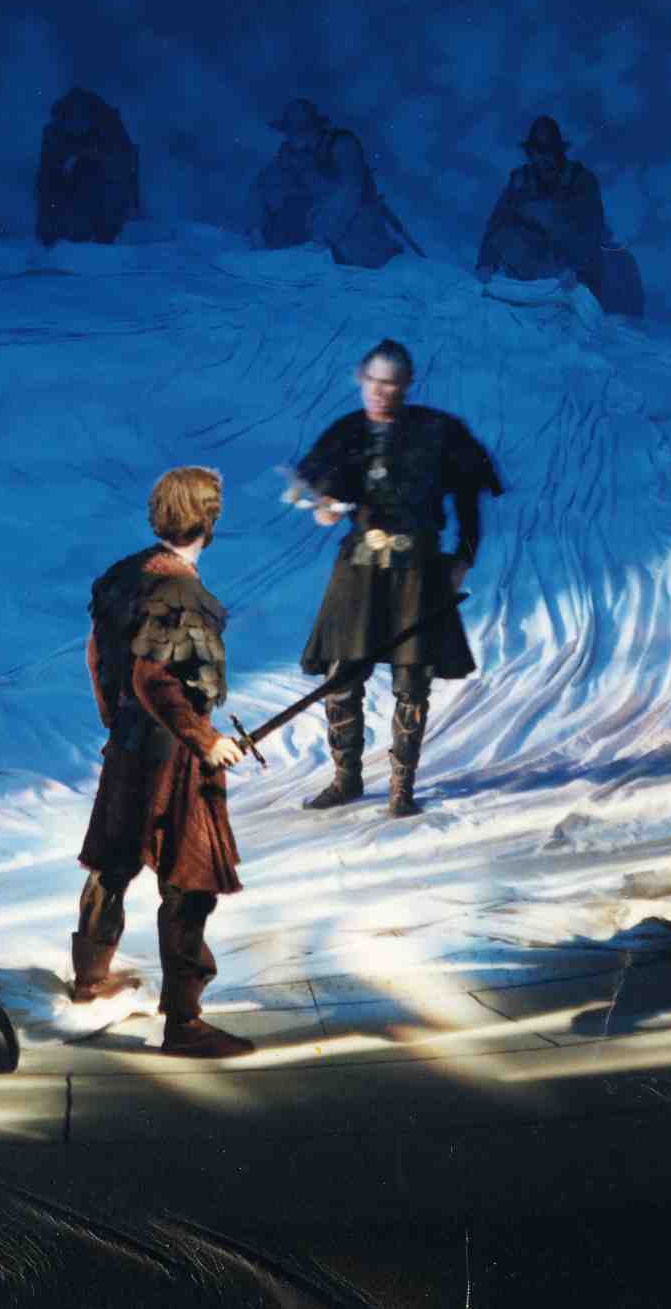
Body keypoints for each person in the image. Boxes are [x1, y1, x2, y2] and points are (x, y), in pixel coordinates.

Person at [72, 465, 256, 1060]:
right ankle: (184, 1025)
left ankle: (89, 980)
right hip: (173, 758)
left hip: (129, 748)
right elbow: (153, 677)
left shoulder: (124, 574)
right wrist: (205, 740)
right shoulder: (183, 595)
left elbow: (98, 654)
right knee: (189, 882)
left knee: (113, 863)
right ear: (209, 521)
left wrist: (114, 719)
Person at [288, 340, 503, 817]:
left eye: (390, 383)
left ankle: (401, 788)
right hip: (359, 569)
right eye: (373, 381)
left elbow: (469, 496)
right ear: (361, 380)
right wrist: (325, 508)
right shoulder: (347, 433)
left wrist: (464, 557)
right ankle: (346, 780)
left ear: (405, 385)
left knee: (412, 678)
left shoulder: (437, 432)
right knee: (342, 674)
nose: (380, 391)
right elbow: (323, 494)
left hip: (418, 568)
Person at [475, 115, 639, 313]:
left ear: (559, 151)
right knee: (509, 232)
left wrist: (576, 269)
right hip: (535, 270)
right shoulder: (520, 180)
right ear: (530, 153)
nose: (542, 158)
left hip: (573, 271)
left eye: (548, 151)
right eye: (537, 151)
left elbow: (591, 228)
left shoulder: (581, 180)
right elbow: (497, 224)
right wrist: (486, 262)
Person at [251, 98, 413, 269]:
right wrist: (255, 226)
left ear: (315, 127)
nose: (295, 136)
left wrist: (324, 236)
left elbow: (350, 190)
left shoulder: (341, 145)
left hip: (355, 218)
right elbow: (263, 184)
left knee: (362, 254)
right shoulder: (289, 154)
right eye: (291, 131)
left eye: (302, 129)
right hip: (315, 218)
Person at [35, 87, 141, 246]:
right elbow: (46, 176)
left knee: (105, 184)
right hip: (76, 172)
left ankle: (103, 228)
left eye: (78, 122)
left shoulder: (109, 126)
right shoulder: (54, 132)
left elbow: (125, 169)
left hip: (106, 175)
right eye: (69, 122)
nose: (75, 128)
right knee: (51, 181)